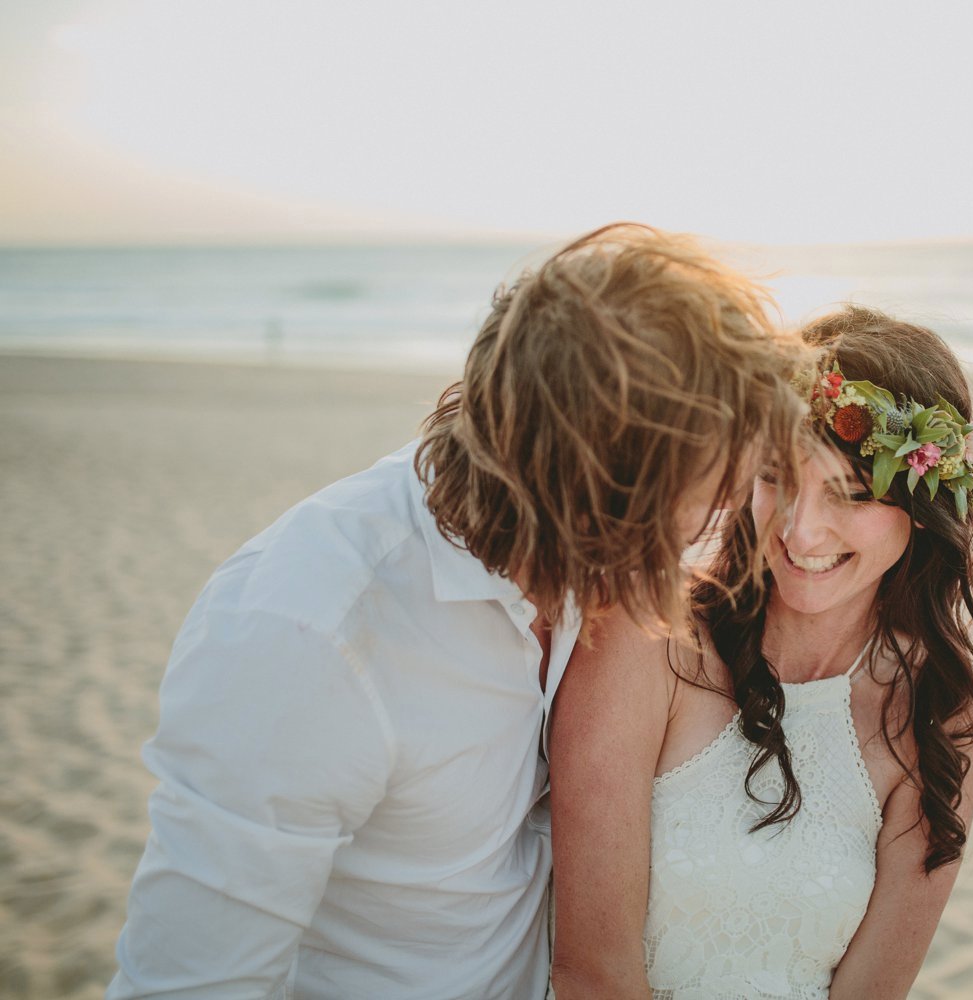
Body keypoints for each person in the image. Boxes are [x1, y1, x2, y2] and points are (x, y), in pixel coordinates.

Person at [106, 224, 804, 1000]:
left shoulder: (590, 559)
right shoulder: (308, 639)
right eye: (708, 496)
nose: (726, 517)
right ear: (600, 504)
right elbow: (188, 985)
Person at [549, 305, 973, 999]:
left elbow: (872, 992)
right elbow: (592, 974)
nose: (803, 532)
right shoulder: (646, 636)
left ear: (927, 504)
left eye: (852, 493)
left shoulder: (946, 709)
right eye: (777, 479)